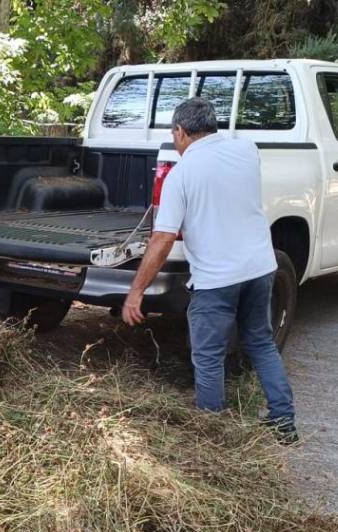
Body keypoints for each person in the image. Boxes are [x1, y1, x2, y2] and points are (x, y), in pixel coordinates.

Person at [121, 97, 297, 441]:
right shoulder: (247, 151)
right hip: (261, 268)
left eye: (174, 134)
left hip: (217, 279)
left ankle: (211, 437)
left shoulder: (181, 174)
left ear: (181, 131)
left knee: (209, 357)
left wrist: (136, 291)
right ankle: (284, 422)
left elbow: (163, 239)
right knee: (260, 342)